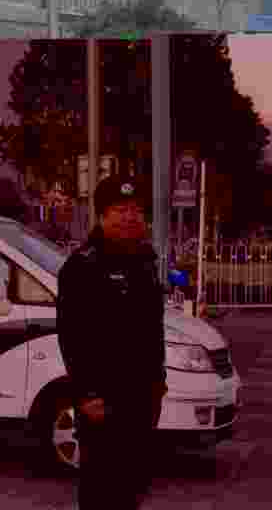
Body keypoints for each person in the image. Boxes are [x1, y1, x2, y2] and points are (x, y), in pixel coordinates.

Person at [57, 175, 168, 510]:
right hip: (102, 400)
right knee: (101, 487)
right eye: (120, 210)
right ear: (102, 216)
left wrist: (158, 382)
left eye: (135, 210)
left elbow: (152, 330)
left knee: (133, 485)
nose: (129, 217)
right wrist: (86, 394)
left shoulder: (144, 262)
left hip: (141, 397)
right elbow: (72, 336)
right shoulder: (83, 266)